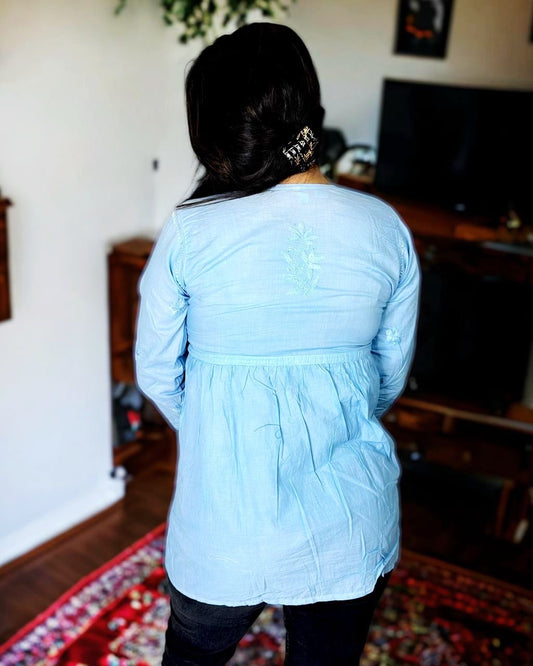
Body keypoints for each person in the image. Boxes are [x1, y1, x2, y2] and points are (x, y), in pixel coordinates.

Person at [135, 22, 421, 666]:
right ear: (308, 105)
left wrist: (219, 423)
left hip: (225, 526)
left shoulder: (190, 231)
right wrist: (325, 407)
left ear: (215, 131)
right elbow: (388, 375)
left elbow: (156, 371)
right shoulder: (384, 227)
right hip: (349, 523)